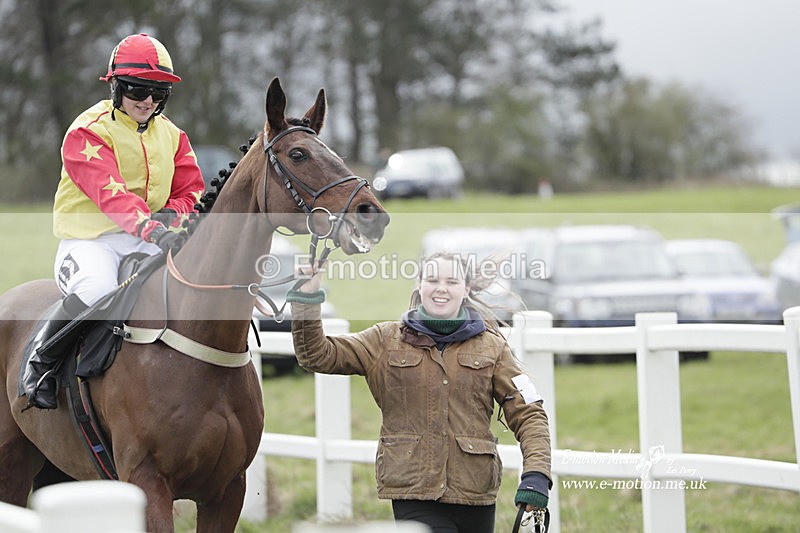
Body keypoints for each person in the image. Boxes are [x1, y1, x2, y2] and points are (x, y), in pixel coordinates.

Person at [288, 252, 552, 533]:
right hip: (414, 493)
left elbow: (530, 412)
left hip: (476, 493)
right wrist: (307, 298)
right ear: (419, 286)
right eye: (432, 279)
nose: (441, 288)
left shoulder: (493, 347)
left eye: (452, 281)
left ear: (466, 290)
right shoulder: (384, 340)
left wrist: (536, 475)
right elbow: (316, 355)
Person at [23, 33, 205, 410]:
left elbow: (192, 190)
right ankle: (40, 360)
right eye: (139, 90)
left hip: (149, 237)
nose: (149, 101)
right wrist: (153, 227)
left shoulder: (174, 136)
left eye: (159, 92)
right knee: (98, 291)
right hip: (93, 242)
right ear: (117, 86)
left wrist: (172, 215)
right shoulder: (86, 132)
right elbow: (112, 196)